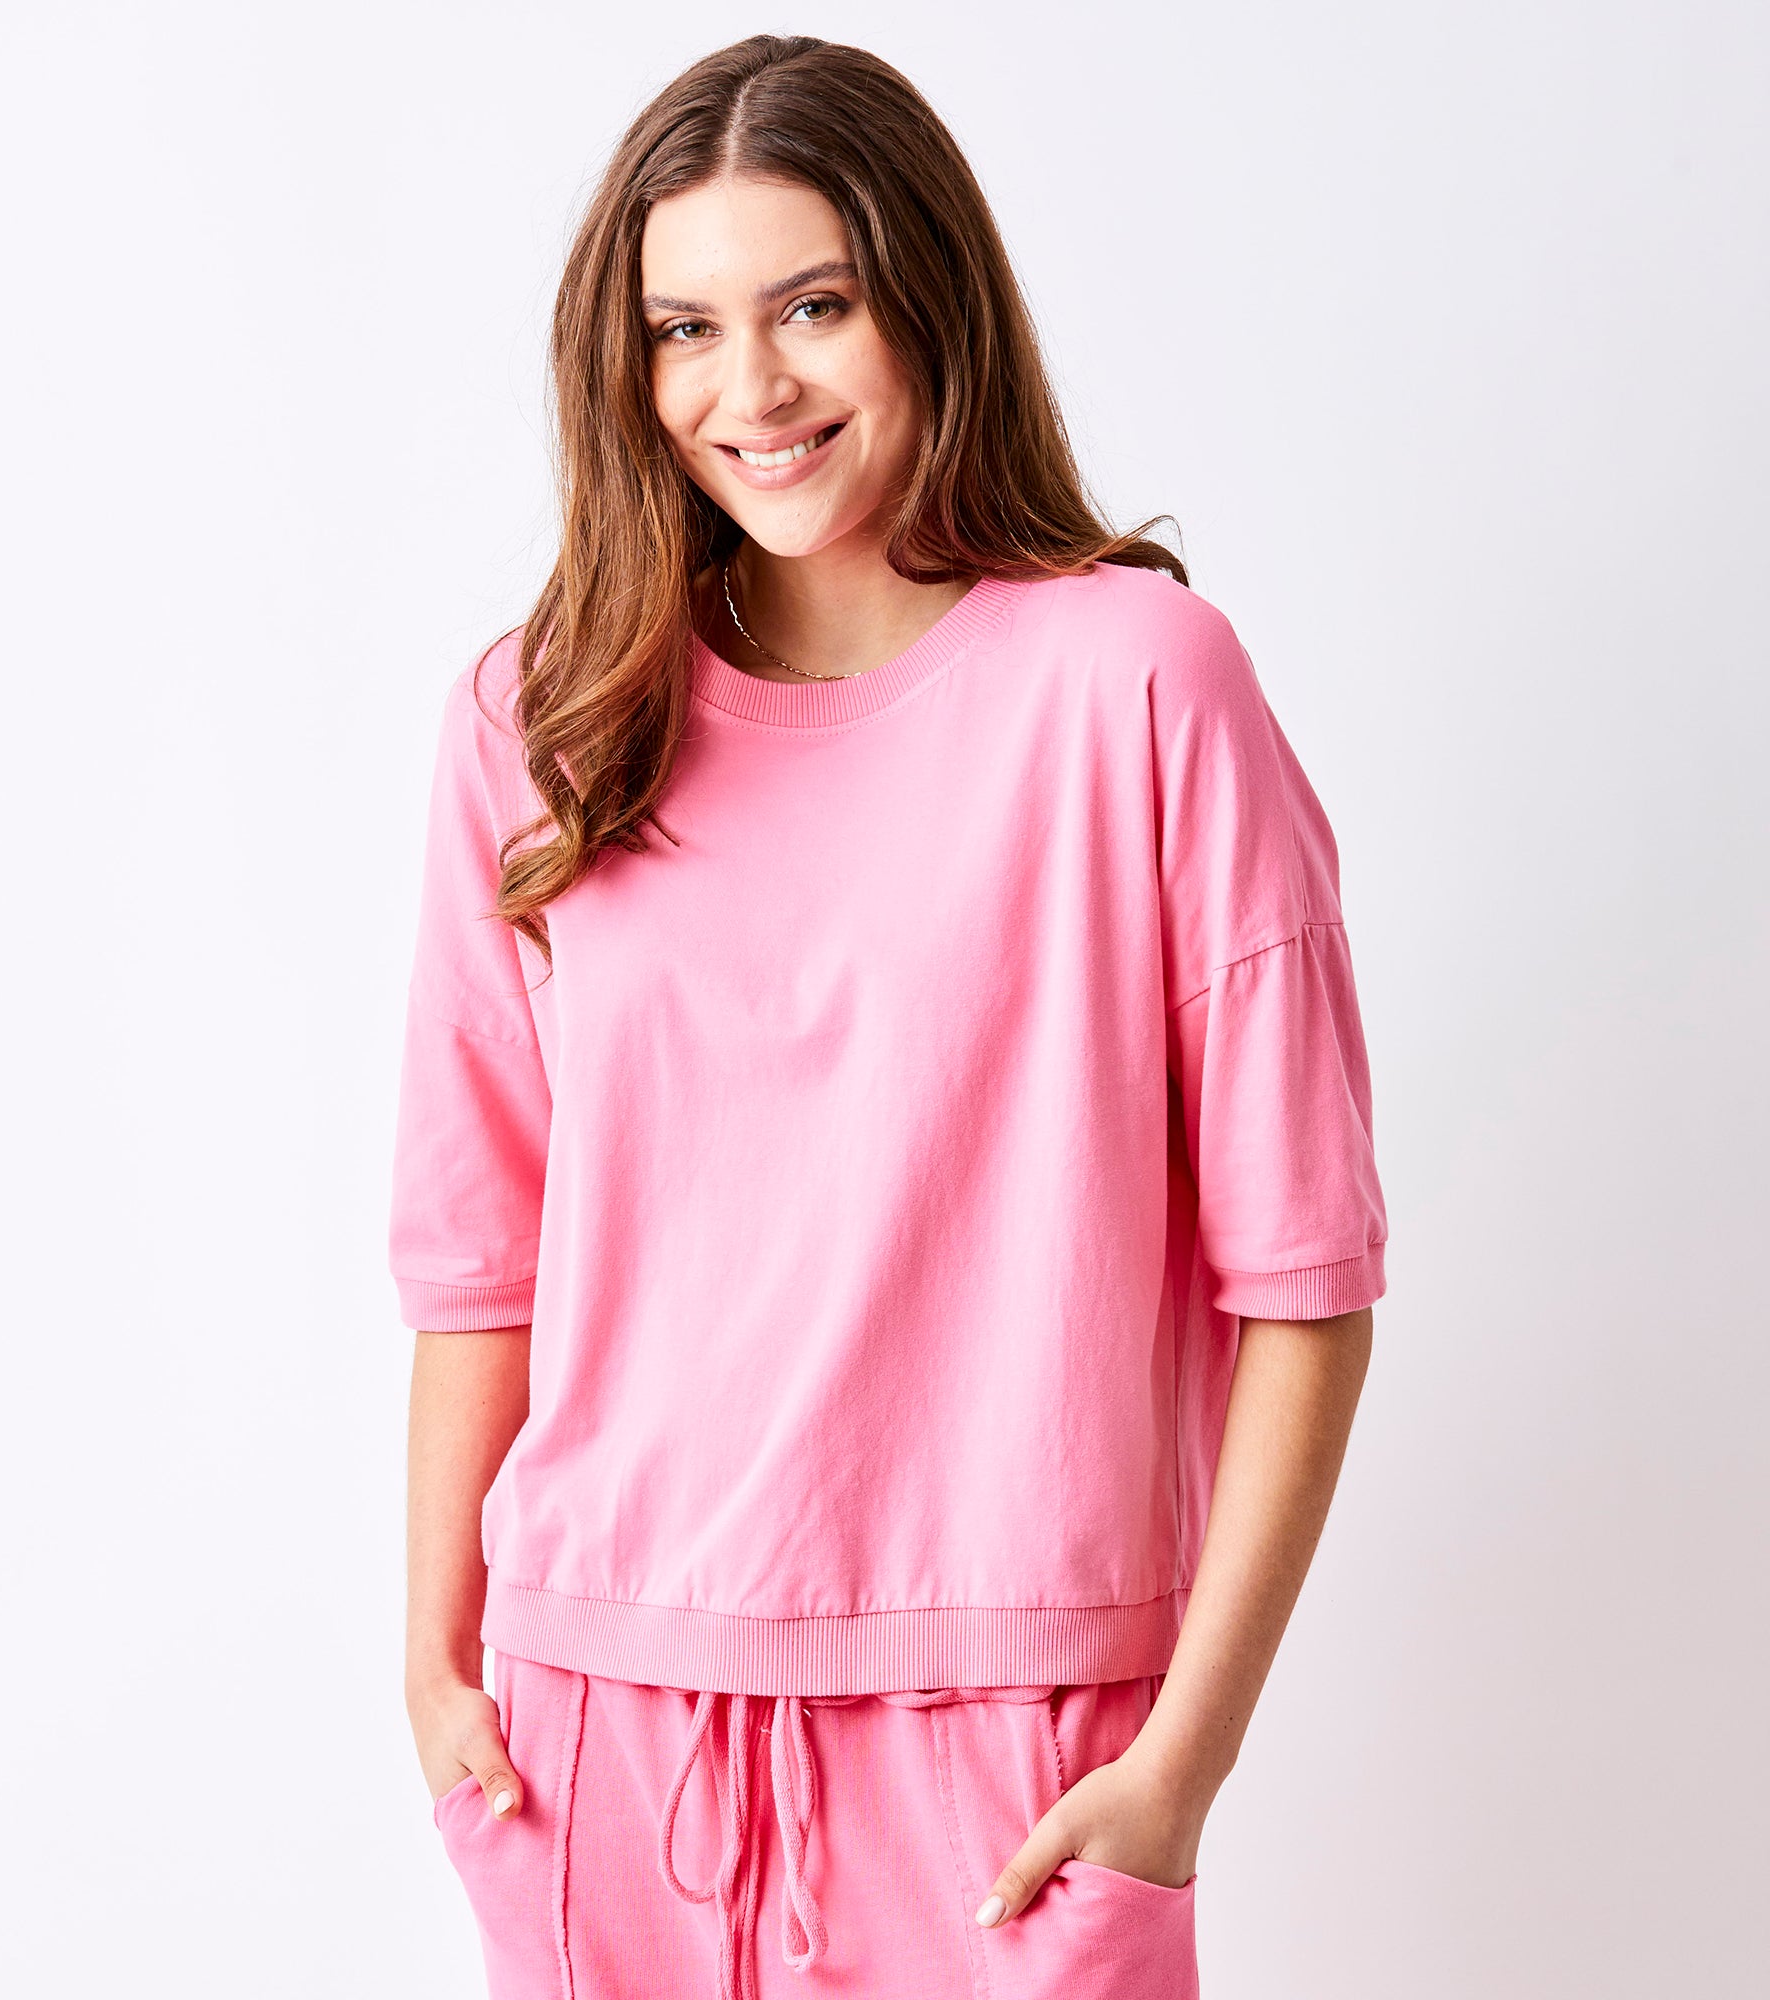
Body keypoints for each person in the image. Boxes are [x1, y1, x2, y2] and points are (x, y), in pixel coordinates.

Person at [391, 33, 1386, 2000]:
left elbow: (1308, 1279)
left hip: (1020, 1747)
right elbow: (476, 1255)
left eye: (813, 306)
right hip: (594, 1722)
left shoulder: (1141, 688)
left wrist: (1180, 1767)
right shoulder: (542, 718)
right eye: (684, 328)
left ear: (930, 298)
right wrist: (431, 1668)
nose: (748, 390)